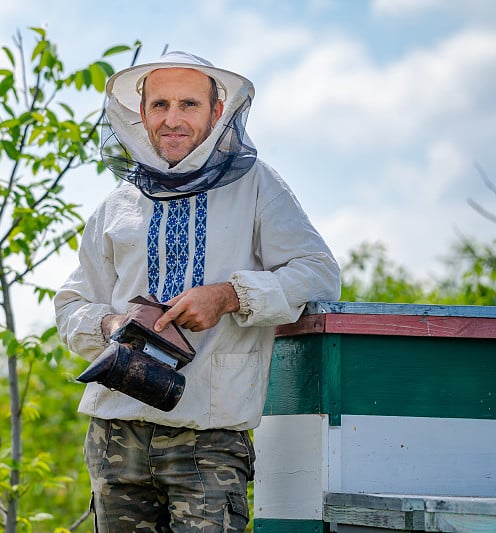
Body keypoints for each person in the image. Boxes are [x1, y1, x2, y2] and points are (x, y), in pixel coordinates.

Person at [54, 51, 341, 532]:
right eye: (160, 105)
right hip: (115, 437)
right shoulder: (117, 204)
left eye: (188, 104)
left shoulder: (257, 187)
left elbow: (318, 273)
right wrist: (110, 325)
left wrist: (228, 296)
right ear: (140, 114)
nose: (172, 119)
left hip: (208, 442)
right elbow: (71, 305)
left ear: (216, 110)